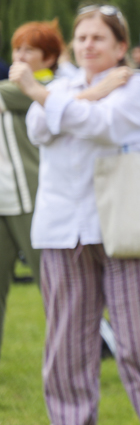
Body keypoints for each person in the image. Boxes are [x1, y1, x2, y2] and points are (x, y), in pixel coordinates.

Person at [15, 3, 140, 425]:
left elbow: (102, 127)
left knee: (138, 349)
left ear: (119, 47)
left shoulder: (134, 87)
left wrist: (42, 93)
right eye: (82, 37)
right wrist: (75, 96)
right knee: (67, 355)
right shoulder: (65, 85)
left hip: (124, 229)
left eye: (99, 38)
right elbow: (39, 127)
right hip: (60, 232)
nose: (88, 45)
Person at [0, 21, 63, 358]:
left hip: (32, 198)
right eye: (17, 48)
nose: (20, 56)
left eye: (29, 50)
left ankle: (97, 345)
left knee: (52, 285)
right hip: (3, 197)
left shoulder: (46, 87)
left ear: (49, 57)